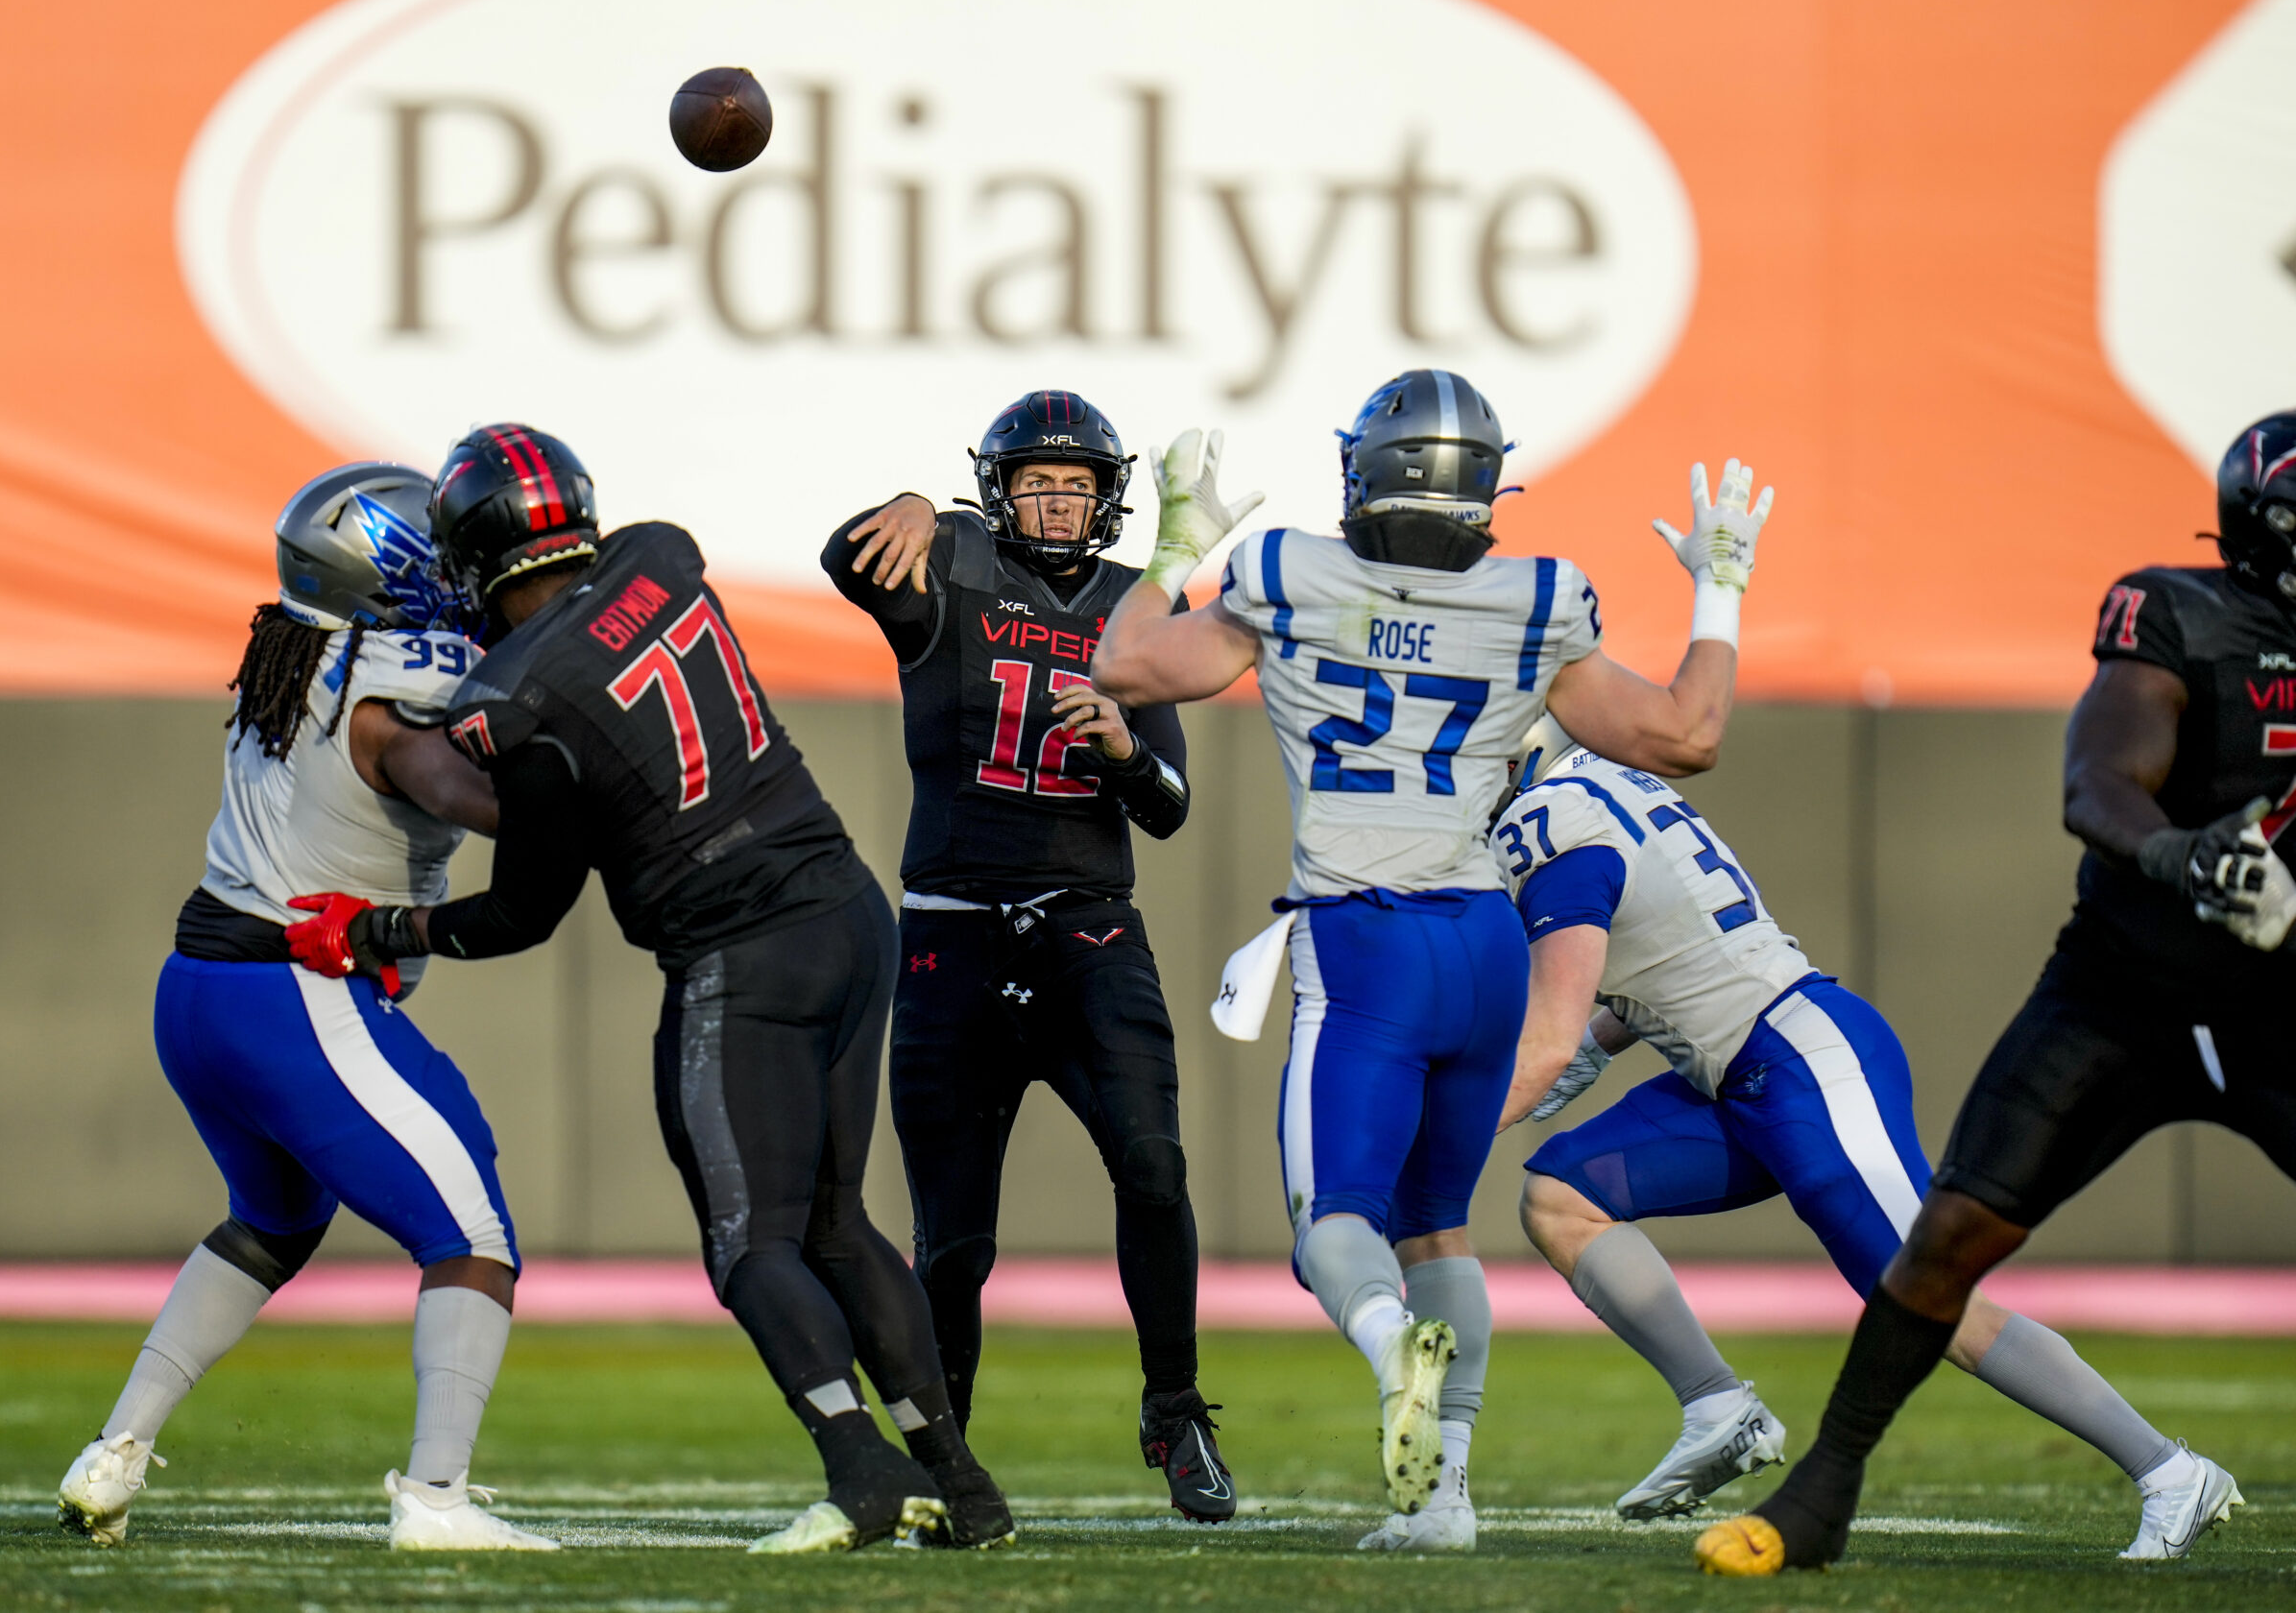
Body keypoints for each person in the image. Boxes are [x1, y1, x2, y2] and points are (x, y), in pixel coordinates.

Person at [284, 423, 1014, 1554]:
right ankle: (963, 1487)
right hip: (846, 908)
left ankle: (860, 1468)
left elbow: (523, 913)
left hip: (742, 952)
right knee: (835, 1222)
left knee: (751, 1241)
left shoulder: (510, 697)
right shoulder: (657, 557)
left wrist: (380, 928)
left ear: (477, 557)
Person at [1092, 369, 1774, 1550]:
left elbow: (1129, 666)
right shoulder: (1535, 599)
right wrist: (1717, 588)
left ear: (1364, 472)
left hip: (1368, 941)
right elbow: (1686, 733)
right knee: (1436, 1226)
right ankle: (1444, 1499)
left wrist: (1177, 549)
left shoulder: (1290, 574)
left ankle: (1387, 1348)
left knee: (1334, 1225)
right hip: (1485, 943)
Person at [1694, 414, 2296, 1577]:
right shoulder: (2180, 614)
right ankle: (1821, 1493)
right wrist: (2180, 856)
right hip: (2127, 991)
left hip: (2281, 1004)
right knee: (1952, 1231)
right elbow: (2099, 778)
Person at [1491, 718, 2218, 1553]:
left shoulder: (1546, 818)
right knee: (1561, 1197)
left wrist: (1449, 1131)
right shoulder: (1604, 786)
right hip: (1744, 1072)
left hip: (1801, 1061)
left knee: (1928, 1297)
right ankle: (1717, 1404)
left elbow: (1549, 1035)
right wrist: (1590, 1046)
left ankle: (2169, 1470)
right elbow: (1672, 951)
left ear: (1517, 748)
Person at [57, 464, 553, 1552]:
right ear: (395, 570)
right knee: (471, 1236)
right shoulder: (392, 684)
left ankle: (114, 1452)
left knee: (273, 1223)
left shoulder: (296, 650)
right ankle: (437, 1499)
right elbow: (461, 788)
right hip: (295, 990)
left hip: (200, 992)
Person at [821, 390, 1230, 1521]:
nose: (1055, 502)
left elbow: (1169, 806)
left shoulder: (1134, 606)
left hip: (1088, 928)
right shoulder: (952, 567)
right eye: (1035, 482)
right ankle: (945, 1461)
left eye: (1075, 484)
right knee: (953, 1244)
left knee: (1153, 1164)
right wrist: (912, 505)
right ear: (996, 493)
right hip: (951, 930)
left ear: (1108, 499)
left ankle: (1175, 1406)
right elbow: (848, 560)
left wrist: (1121, 754)